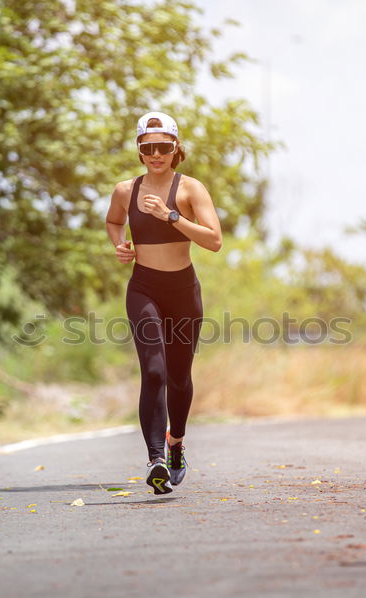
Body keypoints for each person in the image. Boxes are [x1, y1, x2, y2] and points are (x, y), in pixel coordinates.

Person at [104, 111, 223, 495]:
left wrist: (170, 215)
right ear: (139, 151)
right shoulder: (126, 190)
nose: (156, 154)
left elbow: (214, 241)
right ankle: (155, 457)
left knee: (179, 376)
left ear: (176, 149)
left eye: (163, 147)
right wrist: (119, 245)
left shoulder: (190, 189)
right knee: (153, 371)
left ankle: (176, 444)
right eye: (148, 147)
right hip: (144, 288)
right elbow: (112, 222)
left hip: (183, 291)